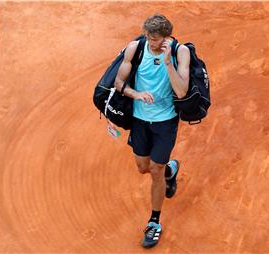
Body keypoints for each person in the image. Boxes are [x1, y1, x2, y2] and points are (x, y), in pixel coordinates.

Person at [112, 13, 190, 248]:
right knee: (143, 167)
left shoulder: (180, 52)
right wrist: (137, 95)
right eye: (147, 36)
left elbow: (182, 92)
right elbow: (119, 83)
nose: (149, 41)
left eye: (154, 38)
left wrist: (167, 62)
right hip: (139, 120)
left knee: (155, 170)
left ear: (166, 38)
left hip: (165, 121)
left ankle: (154, 221)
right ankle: (170, 171)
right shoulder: (135, 48)